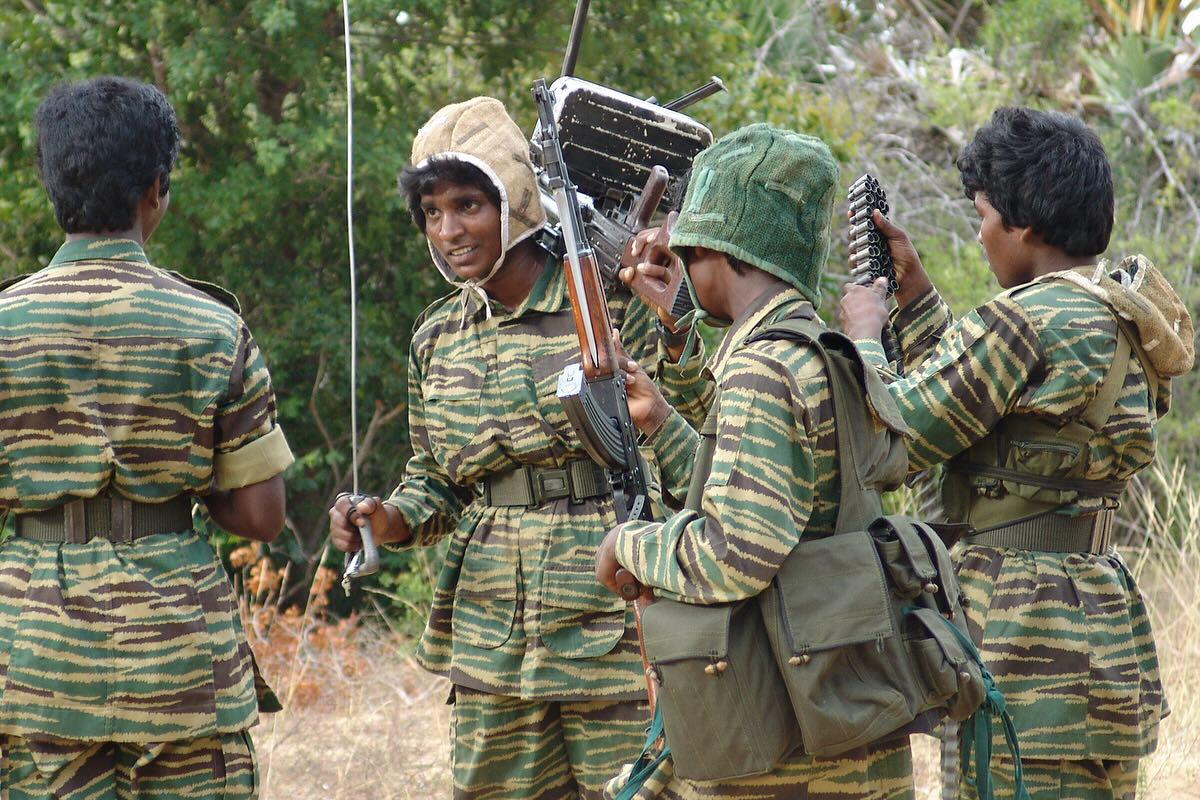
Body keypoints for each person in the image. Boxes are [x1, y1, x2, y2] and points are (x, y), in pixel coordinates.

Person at [327, 96, 703, 799]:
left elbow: (690, 423)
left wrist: (677, 319)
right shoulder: (437, 336)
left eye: (468, 205)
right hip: (491, 640)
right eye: (432, 213)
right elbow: (436, 481)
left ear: (516, 200)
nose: (449, 230)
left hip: (613, 625)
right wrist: (385, 519)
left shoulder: (611, 303)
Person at [839, 107, 1191, 800]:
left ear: (1023, 224)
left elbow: (892, 441)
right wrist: (917, 299)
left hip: (1022, 642)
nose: (980, 236)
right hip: (1099, 629)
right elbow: (998, 421)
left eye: (982, 216)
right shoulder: (1116, 312)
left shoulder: (1023, 321)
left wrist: (865, 338)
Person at [595, 124, 915, 800]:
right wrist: (662, 421)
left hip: (789, 749)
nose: (684, 274)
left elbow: (734, 552)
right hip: (844, 714)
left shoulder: (762, 369)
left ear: (719, 252)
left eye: (689, 256)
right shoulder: (820, 350)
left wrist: (628, 544)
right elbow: (779, 501)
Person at [0, 76, 293, 799]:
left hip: (33, 663)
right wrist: (185, 487)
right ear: (156, 190)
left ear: (54, 189)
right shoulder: (214, 328)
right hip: (181, 661)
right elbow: (261, 516)